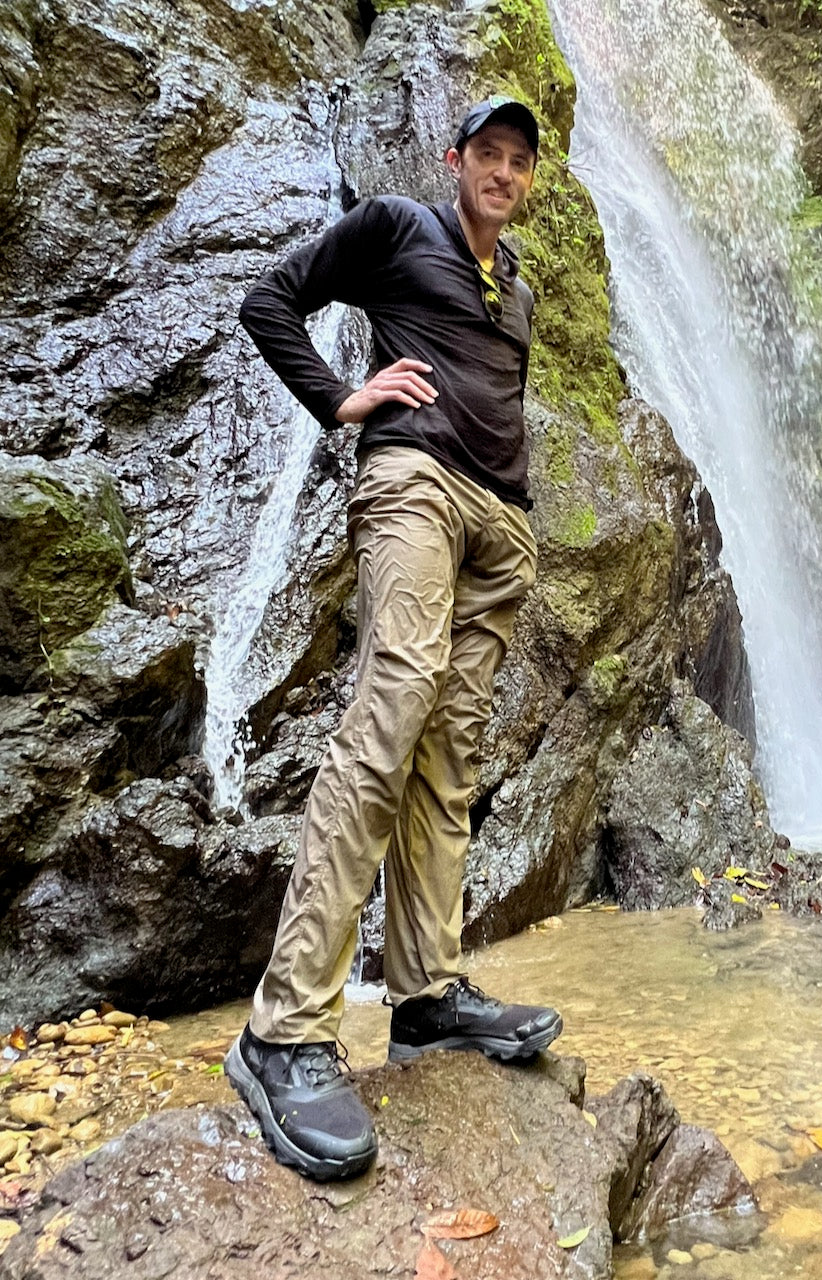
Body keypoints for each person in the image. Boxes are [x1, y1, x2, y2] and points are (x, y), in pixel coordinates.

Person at [224, 95, 563, 1182]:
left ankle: (425, 996)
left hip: (498, 532)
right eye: (488, 153)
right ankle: (283, 1030)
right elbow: (270, 300)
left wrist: (519, 517)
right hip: (411, 487)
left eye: (519, 161)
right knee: (391, 709)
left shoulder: (517, 289)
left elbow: (500, 397)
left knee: (448, 755)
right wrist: (341, 401)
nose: (501, 172)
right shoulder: (391, 226)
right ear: (454, 157)